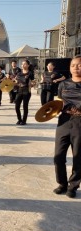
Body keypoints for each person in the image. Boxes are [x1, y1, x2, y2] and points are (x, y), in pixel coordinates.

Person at [53, 55, 81, 198]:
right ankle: (62, 183)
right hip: (63, 122)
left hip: (79, 123)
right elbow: (59, 102)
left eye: (79, 65)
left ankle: (73, 186)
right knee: (58, 156)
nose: (76, 68)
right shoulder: (63, 84)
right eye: (73, 65)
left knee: (78, 157)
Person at [14, 60, 34, 125]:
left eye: (24, 64)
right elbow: (16, 81)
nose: (23, 65)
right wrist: (14, 82)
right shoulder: (19, 73)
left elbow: (33, 82)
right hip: (19, 90)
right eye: (22, 64)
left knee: (25, 106)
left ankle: (24, 120)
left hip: (26, 91)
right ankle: (19, 119)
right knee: (17, 106)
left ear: (28, 65)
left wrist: (32, 84)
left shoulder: (30, 73)